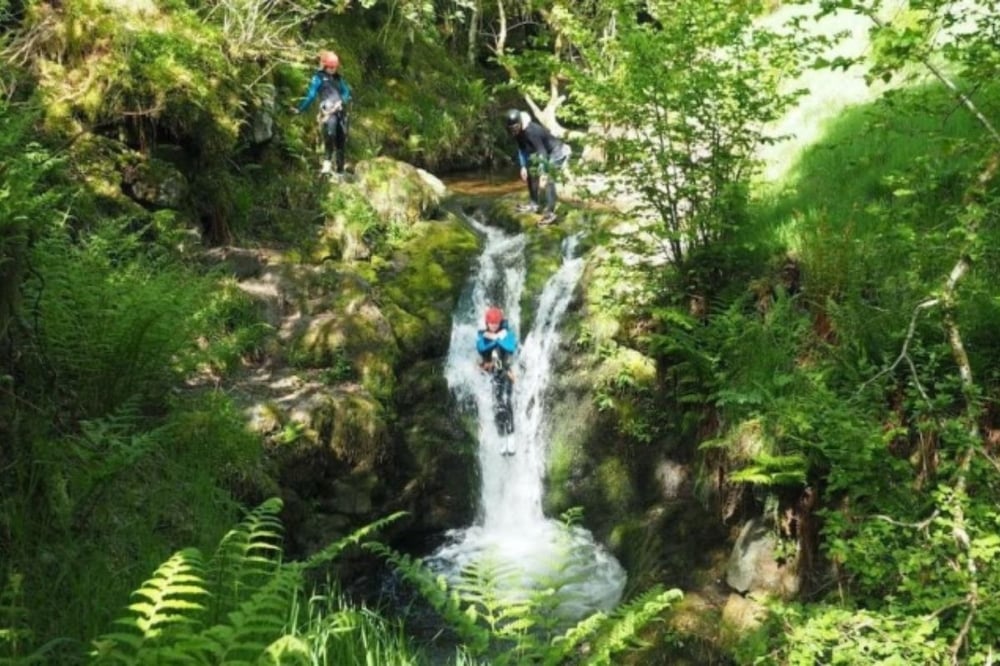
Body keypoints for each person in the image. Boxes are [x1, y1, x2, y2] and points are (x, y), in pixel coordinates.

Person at [504, 109, 572, 226]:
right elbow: (522, 149)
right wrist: (523, 166)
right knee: (531, 172)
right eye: (511, 129)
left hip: (557, 152)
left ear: (520, 123)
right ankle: (534, 204)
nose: (514, 131)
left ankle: (550, 213)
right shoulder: (517, 133)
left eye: (515, 127)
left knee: (549, 179)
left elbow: (542, 152)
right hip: (543, 152)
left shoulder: (531, 131)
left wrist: (543, 172)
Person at [294, 50, 352, 176]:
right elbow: (311, 95)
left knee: (341, 140)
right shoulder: (318, 78)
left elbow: (346, 92)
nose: (332, 70)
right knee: (330, 136)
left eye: (334, 67)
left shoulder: (338, 78)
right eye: (330, 67)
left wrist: (342, 101)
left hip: (340, 112)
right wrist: (300, 109)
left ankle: (340, 171)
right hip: (328, 112)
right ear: (325, 65)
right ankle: (326, 165)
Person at [476, 306, 518, 381]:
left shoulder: (505, 331)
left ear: (500, 322)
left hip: (500, 362)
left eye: (496, 323)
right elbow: (481, 346)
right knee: (480, 364)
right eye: (492, 323)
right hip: (488, 361)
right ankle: (491, 369)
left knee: (497, 354)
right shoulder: (483, 333)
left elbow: (511, 346)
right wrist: (494, 338)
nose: (494, 326)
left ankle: (504, 371)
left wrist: (497, 338)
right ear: (487, 323)